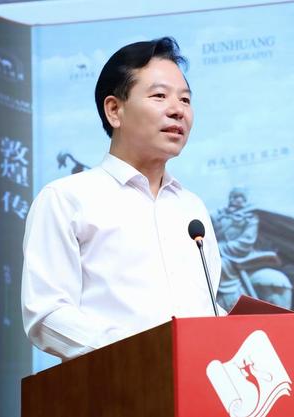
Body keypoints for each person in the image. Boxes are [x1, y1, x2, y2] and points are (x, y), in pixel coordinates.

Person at [21, 37, 222, 360]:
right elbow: (46, 314)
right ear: (115, 110)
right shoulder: (66, 199)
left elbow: (205, 308)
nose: (177, 110)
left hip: (196, 381)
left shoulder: (191, 208)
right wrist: (138, 353)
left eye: (185, 99)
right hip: (116, 382)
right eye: (159, 96)